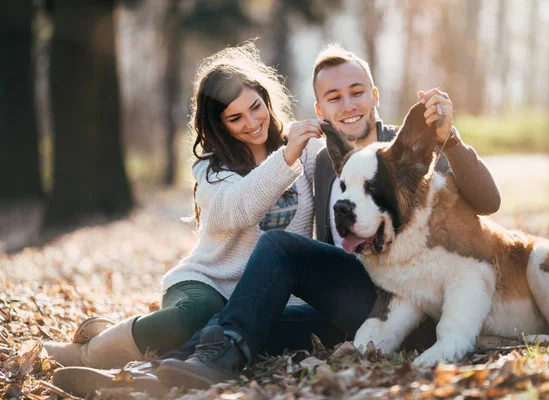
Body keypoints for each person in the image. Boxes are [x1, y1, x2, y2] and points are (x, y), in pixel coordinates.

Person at [155, 44, 502, 389]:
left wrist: (450, 141)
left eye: (356, 92)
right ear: (321, 109)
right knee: (257, 318)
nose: (348, 105)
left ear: (374, 95)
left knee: (282, 248)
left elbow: (488, 201)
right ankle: (180, 362)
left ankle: (211, 356)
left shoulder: (407, 149)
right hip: (351, 298)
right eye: (334, 97)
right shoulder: (324, 160)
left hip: (410, 300)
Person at [47, 42, 345, 397]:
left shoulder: (305, 149)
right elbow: (239, 209)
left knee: (251, 335)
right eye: (236, 118)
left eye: (256, 107)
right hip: (209, 282)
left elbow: (359, 154)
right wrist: (286, 157)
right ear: (218, 125)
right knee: (193, 317)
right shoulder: (211, 170)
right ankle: (89, 353)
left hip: (263, 296)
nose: (252, 123)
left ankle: (139, 375)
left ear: (266, 99)